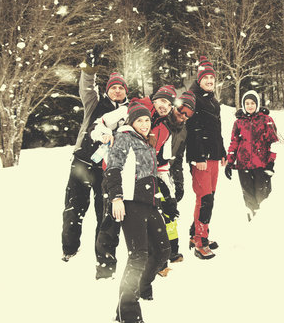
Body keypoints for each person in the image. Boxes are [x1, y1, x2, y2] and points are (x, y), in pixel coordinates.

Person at [92, 86, 176, 279]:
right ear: (155, 99)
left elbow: (163, 164)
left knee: (145, 226)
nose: (165, 106)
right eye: (162, 101)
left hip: (141, 184)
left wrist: (169, 192)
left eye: (169, 104)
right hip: (116, 175)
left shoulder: (164, 129)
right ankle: (105, 270)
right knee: (110, 224)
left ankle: (150, 268)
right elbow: (99, 124)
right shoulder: (130, 108)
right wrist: (104, 135)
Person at [103, 101, 171, 323]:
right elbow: (113, 168)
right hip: (130, 203)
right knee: (138, 256)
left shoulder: (147, 141)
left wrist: (165, 198)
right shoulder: (124, 138)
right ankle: (127, 313)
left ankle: (141, 287)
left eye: (146, 120)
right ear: (132, 122)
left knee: (162, 250)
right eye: (139, 120)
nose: (144, 123)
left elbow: (152, 174)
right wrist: (116, 198)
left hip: (149, 203)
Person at [61, 46, 129, 262]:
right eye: (114, 87)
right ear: (108, 90)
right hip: (82, 163)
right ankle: (70, 249)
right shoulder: (95, 104)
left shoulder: (129, 112)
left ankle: (103, 255)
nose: (117, 91)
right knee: (74, 210)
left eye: (121, 88)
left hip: (106, 169)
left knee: (105, 213)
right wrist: (89, 69)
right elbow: (87, 88)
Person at [186, 56, 227, 259]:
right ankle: (200, 244)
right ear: (199, 79)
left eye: (212, 77)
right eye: (206, 78)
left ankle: (197, 234)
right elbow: (193, 131)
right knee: (205, 200)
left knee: (206, 198)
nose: (210, 81)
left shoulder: (212, 100)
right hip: (201, 159)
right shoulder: (193, 98)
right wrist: (198, 156)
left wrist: (222, 152)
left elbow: (215, 130)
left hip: (213, 157)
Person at [157, 90, 197, 276]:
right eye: (181, 111)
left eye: (187, 114)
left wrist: (179, 182)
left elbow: (179, 158)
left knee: (171, 212)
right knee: (159, 213)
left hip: (169, 173)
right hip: (153, 173)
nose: (182, 116)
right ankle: (159, 258)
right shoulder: (160, 121)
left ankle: (173, 250)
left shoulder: (184, 130)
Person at [225, 91, 278, 221]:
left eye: (252, 103)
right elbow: (234, 143)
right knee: (249, 199)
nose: (250, 106)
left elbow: (273, 143)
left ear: (257, 104)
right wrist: (229, 162)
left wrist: (270, 163)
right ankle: (252, 224)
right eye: (247, 103)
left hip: (262, 165)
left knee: (263, 197)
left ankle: (265, 224)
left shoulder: (267, 120)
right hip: (243, 166)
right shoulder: (238, 123)